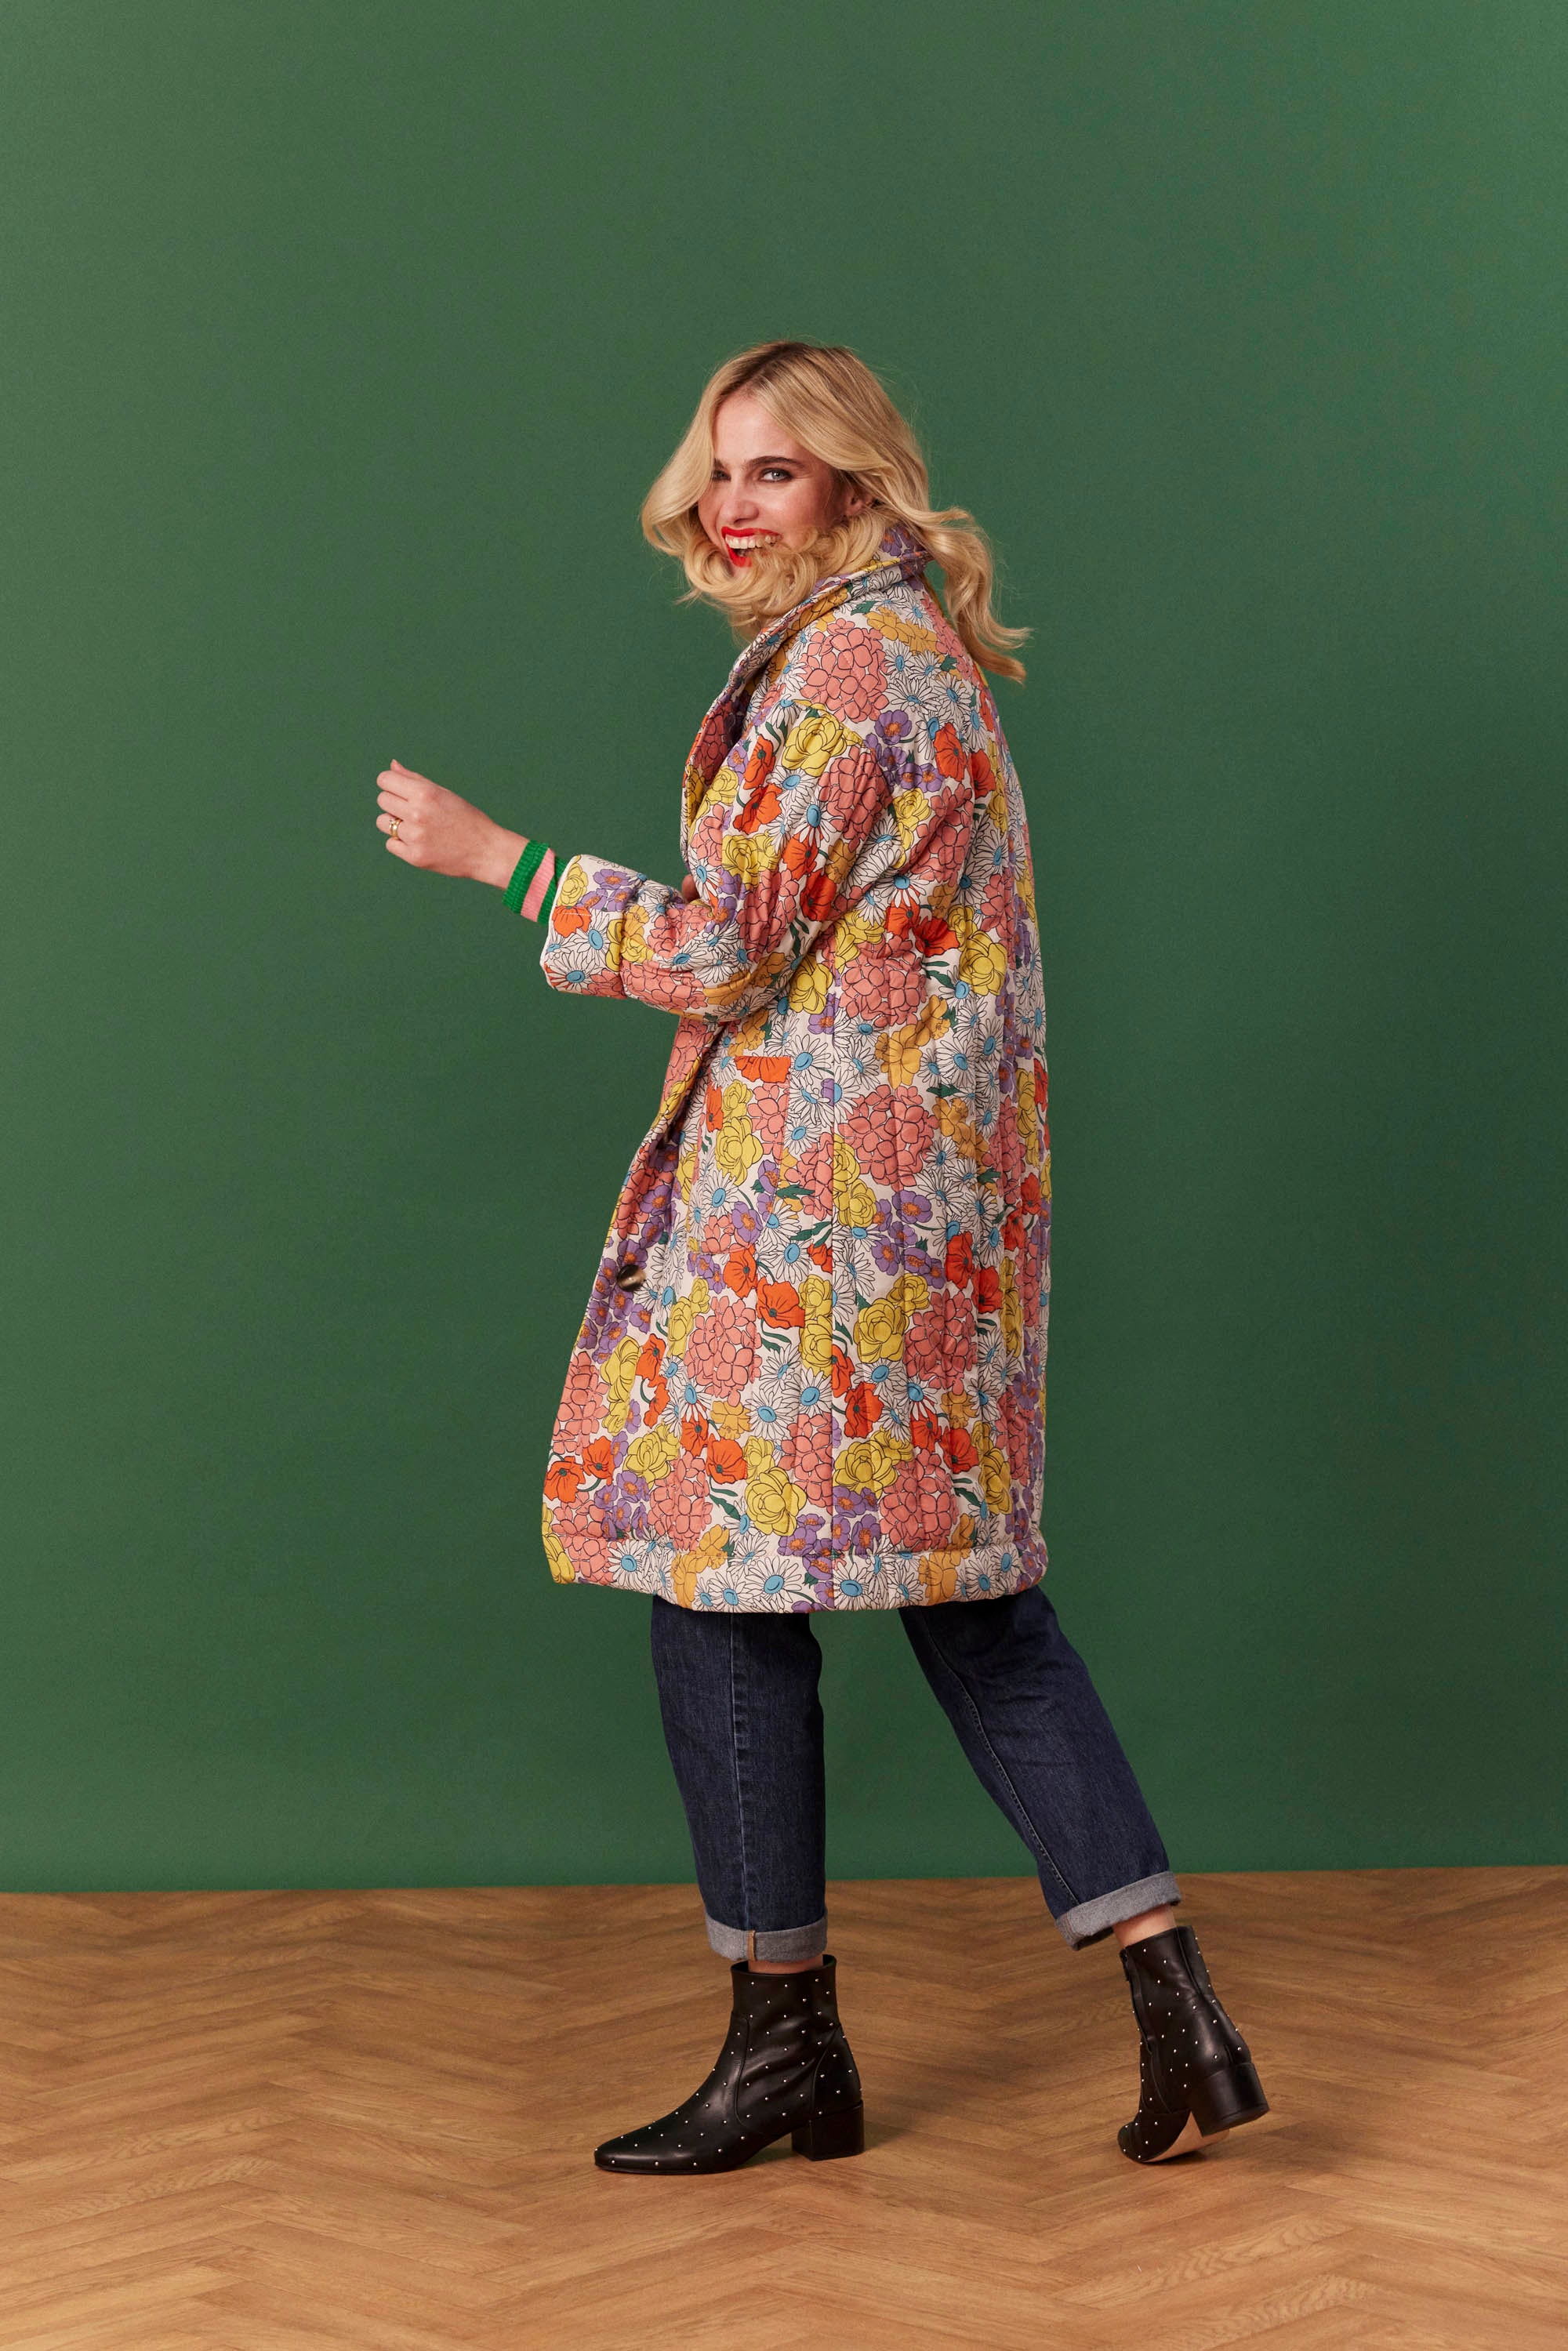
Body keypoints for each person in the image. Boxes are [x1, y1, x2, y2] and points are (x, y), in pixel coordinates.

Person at [372, 340, 1269, 2173]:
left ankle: (784, 2045)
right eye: (719, 470)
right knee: (970, 1599)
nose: (729, 505)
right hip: (915, 1219)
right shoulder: (904, 647)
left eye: (771, 471)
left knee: (722, 1597)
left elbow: (724, 947)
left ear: (855, 482)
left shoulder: (853, 662)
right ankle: (1180, 2009)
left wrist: (504, 864)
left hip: (818, 1225)